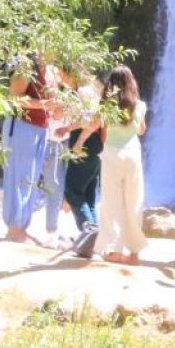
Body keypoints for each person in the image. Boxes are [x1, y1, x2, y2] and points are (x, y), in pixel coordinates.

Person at [1, 52, 70, 245]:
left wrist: (58, 109)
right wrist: (45, 104)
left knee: (31, 178)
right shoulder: (25, 66)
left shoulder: (52, 71)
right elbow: (14, 98)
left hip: (41, 130)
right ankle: (14, 229)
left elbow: (52, 105)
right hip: (22, 126)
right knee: (19, 175)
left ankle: (22, 227)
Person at [89, 65, 149, 264]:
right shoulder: (139, 105)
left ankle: (112, 249)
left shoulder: (106, 106)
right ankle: (134, 253)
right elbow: (141, 130)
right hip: (132, 154)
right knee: (133, 202)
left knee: (110, 203)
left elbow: (100, 130)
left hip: (112, 154)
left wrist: (80, 141)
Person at [63, 72, 104, 235]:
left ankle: (88, 231)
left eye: (61, 73)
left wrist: (78, 140)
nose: (60, 78)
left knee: (73, 190)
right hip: (94, 145)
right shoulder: (92, 90)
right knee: (88, 195)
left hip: (85, 144)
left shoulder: (84, 91)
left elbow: (91, 121)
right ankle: (92, 238)